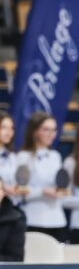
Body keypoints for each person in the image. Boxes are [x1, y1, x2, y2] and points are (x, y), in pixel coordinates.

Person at [16, 111, 68, 242]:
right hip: (33, 218)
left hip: (57, 220)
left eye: (54, 130)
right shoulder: (23, 157)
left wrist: (61, 191)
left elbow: (60, 184)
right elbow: (18, 190)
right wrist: (42, 191)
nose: (51, 134)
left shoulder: (56, 156)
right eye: (46, 129)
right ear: (35, 131)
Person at [0, 111, 26, 261]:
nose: (9, 132)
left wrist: (18, 189)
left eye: (12, 128)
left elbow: (19, 184)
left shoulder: (14, 157)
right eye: (4, 127)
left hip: (11, 211)